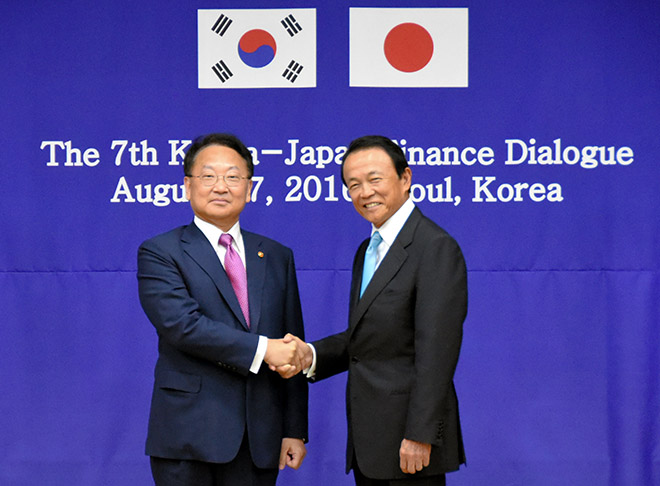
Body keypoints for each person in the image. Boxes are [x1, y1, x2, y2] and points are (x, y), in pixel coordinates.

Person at [285, 135, 467, 485]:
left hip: (410, 445)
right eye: (353, 184)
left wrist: (421, 434)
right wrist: (309, 355)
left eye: (374, 179)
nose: (364, 192)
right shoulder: (368, 250)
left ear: (405, 178)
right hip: (371, 444)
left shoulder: (434, 247)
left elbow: (437, 351)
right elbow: (368, 339)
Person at [137, 133, 308, 486]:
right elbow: (183, 326)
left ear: (249, 188)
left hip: (259, 438)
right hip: (188, 438)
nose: (220, 186)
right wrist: (264, 349)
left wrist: (294, 429)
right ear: (187, 186)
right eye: (208, 176)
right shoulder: (161, 251)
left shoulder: (277, 255)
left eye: (233, 177)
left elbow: (293, 340)